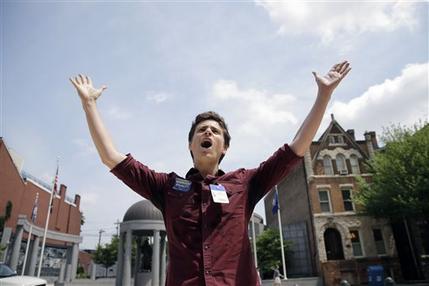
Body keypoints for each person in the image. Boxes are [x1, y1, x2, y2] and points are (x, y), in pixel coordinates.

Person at [70, 61, 350, 286]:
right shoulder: (166, 187)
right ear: (191, 145)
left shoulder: (245, 183)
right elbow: (111, 157)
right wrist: (89, 105)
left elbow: (295, 149)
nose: (207, 132)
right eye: (201, 130)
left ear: (224, 147)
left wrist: (323, 95)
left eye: (215, 131)